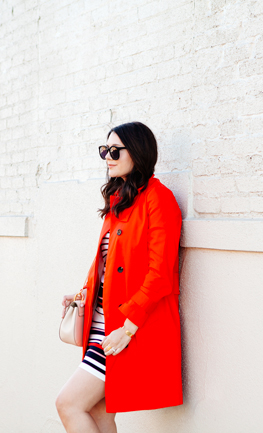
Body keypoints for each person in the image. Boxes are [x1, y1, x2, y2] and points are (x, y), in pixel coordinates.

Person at [56, 122, 183, 433]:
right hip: (102, 324)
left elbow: (160, 272)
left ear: (137, 153)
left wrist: (126, 330)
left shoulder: (158, 198)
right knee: (100, 416)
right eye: (104, 151)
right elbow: (109, 266)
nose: (107, 157)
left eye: (115, 151)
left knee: (68, 403)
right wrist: (83, 294)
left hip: (123, 330)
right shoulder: (120, 202)